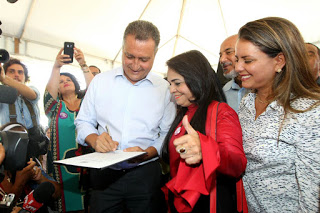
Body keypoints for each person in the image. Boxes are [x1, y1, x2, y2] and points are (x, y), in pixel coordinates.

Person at [75, 20, 176, 213]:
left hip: (145, 177)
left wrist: (147, 152)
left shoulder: (165, 89)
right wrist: (95, 139)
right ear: (122, 49)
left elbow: (167, 134)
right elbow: (83, 122)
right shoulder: (100, 83)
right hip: (104, 177)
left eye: (144, 59)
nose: (135, 65)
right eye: (129, 56)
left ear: (155, 55)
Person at [235, 17, 320, 212]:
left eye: (248, 60)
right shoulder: (247, 102)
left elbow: (312, 197)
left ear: (279, 61)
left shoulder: (309, 112)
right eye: (238, 59)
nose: (238, 67)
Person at [161, 50, 247, 213]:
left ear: (196, 79)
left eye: (177, 83)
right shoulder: (184, 112)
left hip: (206, 204)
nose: (172, 90)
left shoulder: (222, 112)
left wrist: (205, 149)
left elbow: (237, 163)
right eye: (170, 84)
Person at [44, 47, 94, 212]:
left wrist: (83, 63)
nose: (64, 81)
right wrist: (56, 67)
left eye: (68, 79)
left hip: (89, 167)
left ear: (75, 83)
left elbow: (95, 88)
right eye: (60, 81)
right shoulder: (54, 107)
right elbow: (48, 94)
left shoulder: (88, 102)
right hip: (61, 171)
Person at [0, 122, 61, 212]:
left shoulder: (29, 164)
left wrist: (40, 179)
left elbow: (57, 193)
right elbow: (6, 208)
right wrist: (20, 182)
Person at [0, 58, 40, 129]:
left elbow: (33, 95)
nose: (16, 75)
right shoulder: (1, 93)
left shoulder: (32, 89)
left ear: (25, 77)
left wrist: (4, 78)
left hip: (35, 138)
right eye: (11, 72)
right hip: (10, 138)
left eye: (20, 72)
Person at [219, 35, 248, 112]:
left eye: (228, 52)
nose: (222, 60)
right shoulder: (223, 92)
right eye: (220, 55)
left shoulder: (263, 89)